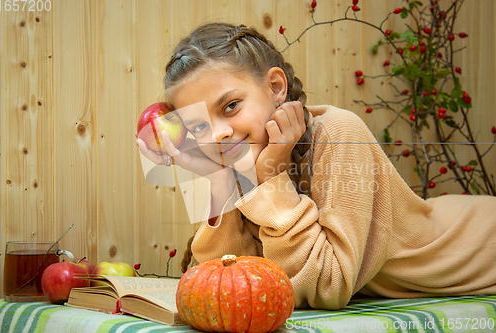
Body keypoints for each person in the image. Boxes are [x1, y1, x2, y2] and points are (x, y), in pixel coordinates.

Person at [136, 22, 496, 310]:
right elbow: (229, 286)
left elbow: (326, 287)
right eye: (199, 126)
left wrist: (273, 174)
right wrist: (217, 182)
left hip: (478, 242)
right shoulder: (233, 162)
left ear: (276, 87)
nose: (218, 133)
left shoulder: (338, 131)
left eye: (230, 106)